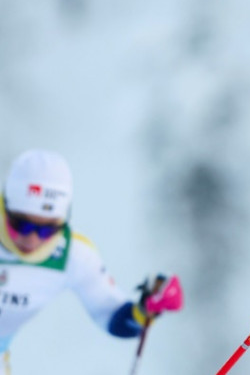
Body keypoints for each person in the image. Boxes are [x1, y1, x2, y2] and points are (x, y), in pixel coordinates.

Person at [0, 149, 184, 371]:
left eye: (47, 230)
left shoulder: (72, 254)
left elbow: (113, 317)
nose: (32, 239)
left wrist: (146, 308)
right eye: (22, 225)